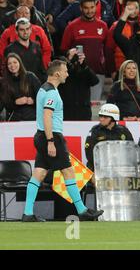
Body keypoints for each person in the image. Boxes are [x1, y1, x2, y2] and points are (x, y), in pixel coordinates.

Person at [22, 59, 103, 222]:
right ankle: (82, 210)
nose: (67, 74)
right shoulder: (51, 92)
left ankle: (27, 213)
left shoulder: (43, 90)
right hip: (52, 137)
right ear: (57, 73)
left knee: (39, 173)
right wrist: (51, 140)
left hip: (41, 135)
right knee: (68, 171)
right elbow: (47, 115)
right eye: (65, 71)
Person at [60, 0, 109, 101]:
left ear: (96, 7)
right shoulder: (72, 27)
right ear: (81, 8)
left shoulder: (103, 26)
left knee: (95, 105)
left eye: (92, 7)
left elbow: (107, 50)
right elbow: (63, 50)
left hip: (97, 73)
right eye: (86, 8)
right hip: (78, 74)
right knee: (79, 104)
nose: (89, 11)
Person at [0, 5, 52, 72]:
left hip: (37, 69)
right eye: (21, 13)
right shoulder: (7, 33)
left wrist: (43, 67)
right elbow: (2, 54)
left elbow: (47, 50)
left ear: (30, 15)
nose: (24, 15)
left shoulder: (39, 30)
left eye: (26, 13)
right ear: (15, 16)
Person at [85, 103, 133, 171]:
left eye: (105, 117)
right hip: (99, 169)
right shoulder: (95, 131)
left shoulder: (123, 131)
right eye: (100, 116)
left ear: (114, 118)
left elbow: (131, 150)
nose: (101, 119)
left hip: (119, 169)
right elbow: (89, 154)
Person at [58, 47, 99, 120]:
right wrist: (70, 64)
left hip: (83, 111)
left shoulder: (84, 69)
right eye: (73, 55)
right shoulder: (63, 71)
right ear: (67, 58)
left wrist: (84, 65)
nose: (76, 57)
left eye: (78, 55)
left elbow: (95, 81)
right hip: (68, 111)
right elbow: (62, 80)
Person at [0, 53, 41, 121]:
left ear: (20, 63)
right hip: (15, 118)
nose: (12, 65)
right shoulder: (4, 82)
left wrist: (33, 101)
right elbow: (5, 103)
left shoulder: (31, 77)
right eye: (9, 64)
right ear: (7, 66)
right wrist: (15, 102)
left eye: (15, 62)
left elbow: (41, 96)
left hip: (33, 117)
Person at [4, 18, 46, 82]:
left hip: (36, 85)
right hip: (20, 85)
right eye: (22, 30)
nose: (25, 32)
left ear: (31, 30)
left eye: (27, 29)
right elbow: (8, 73)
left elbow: (41, 69)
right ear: (16, 31)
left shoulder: (36, 46)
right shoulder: (10, 49)